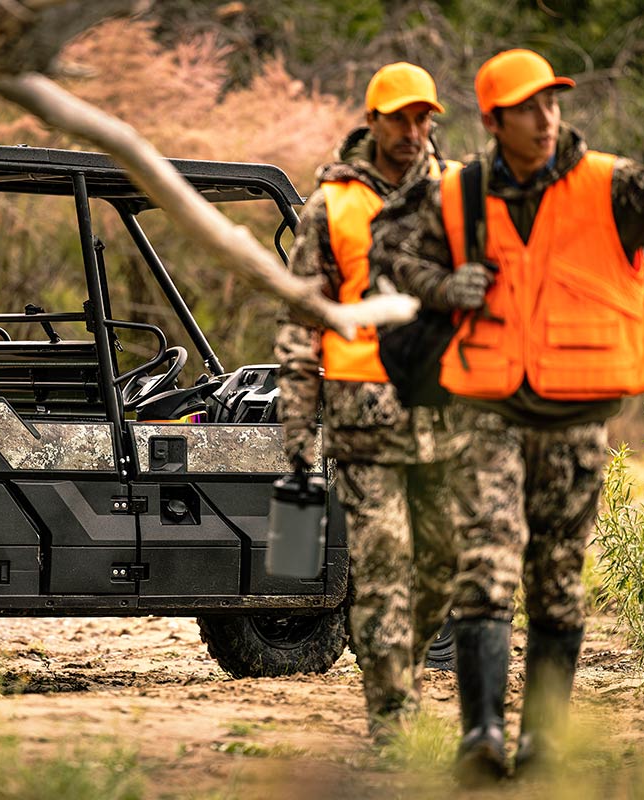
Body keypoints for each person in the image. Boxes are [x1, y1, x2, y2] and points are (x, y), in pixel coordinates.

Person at [386, 48, 644, 783]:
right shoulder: (458, 192)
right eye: (528, 108)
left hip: (577, 421)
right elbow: (397, 258)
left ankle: (543, 743)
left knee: (557, 581)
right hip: (486, 412)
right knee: (484, 568)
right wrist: (447, 285)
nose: (546, 118)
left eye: (553, 103)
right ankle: (480, 735)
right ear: (493, 120)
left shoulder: (613, 187)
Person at [275, 62, 469, 743]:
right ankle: (392, 720)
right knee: (385, 566)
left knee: (443, 564)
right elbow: (302, 318)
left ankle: (401, 670)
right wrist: (297, 423)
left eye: (425, 118)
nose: (415, 130)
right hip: (361, 417)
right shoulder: (331, 206)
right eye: (402, 117)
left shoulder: (456, 196)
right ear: (374, 119)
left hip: (441, 409)